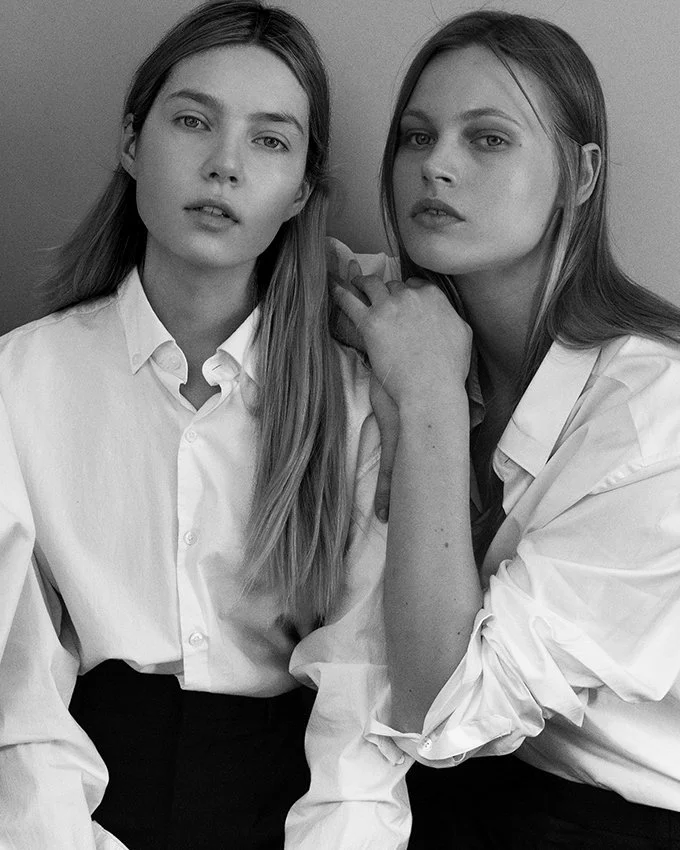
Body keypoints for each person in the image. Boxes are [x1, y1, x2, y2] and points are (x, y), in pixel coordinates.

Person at [0, 2, 412, 848]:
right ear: (131, 142)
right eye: (193, 121)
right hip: (81, 798)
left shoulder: (353, 404)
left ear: (301, 192)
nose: (225, 165)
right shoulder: (21, 381)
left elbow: (360, 716)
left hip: (289, 805)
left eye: (270, 140)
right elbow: (20, 705)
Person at [333, 10, 680, 849]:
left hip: (621, 819)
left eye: (488, 139)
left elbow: (442, 706)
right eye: (417, 136)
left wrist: (428, 402)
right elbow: (273, 276)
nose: (435, 166)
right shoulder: (415, 321)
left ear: (580, 175)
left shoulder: (655, 414)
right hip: (468, 796)